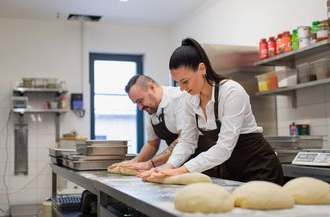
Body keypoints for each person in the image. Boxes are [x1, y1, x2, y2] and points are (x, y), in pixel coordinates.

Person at [140, 38, 284, 185]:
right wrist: (167, 168)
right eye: (178, 83)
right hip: (232, 170)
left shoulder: (231, 92)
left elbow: (224, 148)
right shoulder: (190, 100)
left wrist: (180, 171)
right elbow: (187, 142)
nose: (182, 88)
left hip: (260, 168)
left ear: (202, 69)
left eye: (185, 81)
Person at [109, 75, 187, 170]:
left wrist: (150, 164)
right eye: (136, 103)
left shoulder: (179, 98)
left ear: (152, 87)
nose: (140, 107)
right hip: (180, 165)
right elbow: (152, 144)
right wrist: (133, 162)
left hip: (201, 164)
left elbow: (184, 140)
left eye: (140, 101)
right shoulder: (151, 108)